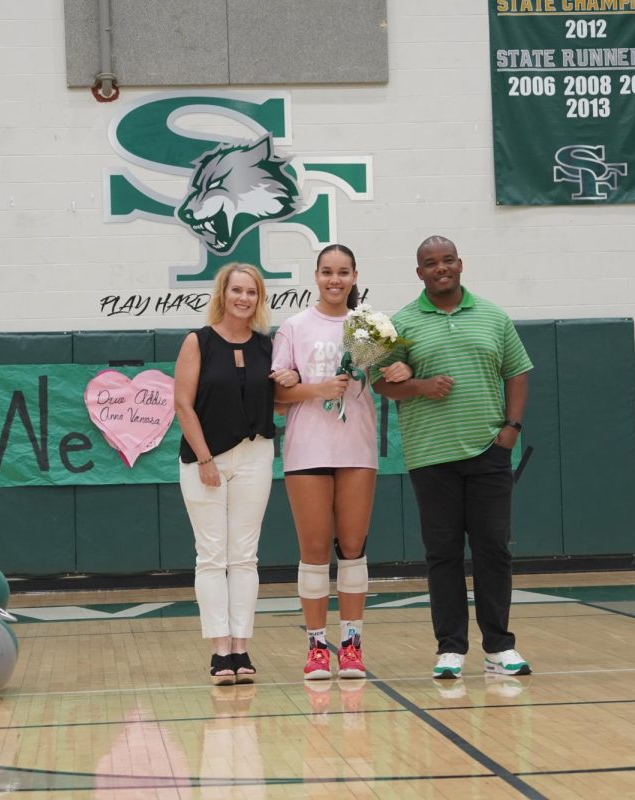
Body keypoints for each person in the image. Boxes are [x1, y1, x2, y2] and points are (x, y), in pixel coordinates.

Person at [374, 236, 533, 680]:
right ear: (419, 272)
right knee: (442, 554)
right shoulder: (401, 323)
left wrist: (511, 429)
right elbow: (381, 383)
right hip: (430, 455)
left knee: (493, 551)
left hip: (488, 452)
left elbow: (517, 372)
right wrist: (419, 387)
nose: (440, 268)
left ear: (460, 264)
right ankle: (451, 649)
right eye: (430, 263)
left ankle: (499, 647)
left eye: (447, 260)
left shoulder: (493, 316)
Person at [271, 244, 412, 680]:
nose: (335, 280)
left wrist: (400, 370)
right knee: (313, 551)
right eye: (327, 272)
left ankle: (350, 645)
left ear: (355, 276)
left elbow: (390, 375)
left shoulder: (370, 327)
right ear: (315, 276)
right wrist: (314, 389)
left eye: (343, 272)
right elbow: (277, 400)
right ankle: (316, 647)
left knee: (353, 548)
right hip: (306, 450)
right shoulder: (293, 328)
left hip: (356, 449)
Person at [174, 263, 300, 685]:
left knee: (245, 557)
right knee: (211, 557)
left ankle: (241, 648)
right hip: (205, 460)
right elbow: (183, 405)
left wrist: (291, 377)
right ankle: (218, 650)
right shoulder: (199, 342)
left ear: (259, 298)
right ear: (223, 294)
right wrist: (205, 458)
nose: (243, 298)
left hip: (255, 455)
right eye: (237, 290)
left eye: (252, 292)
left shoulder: (269, 347)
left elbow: (280, 404)